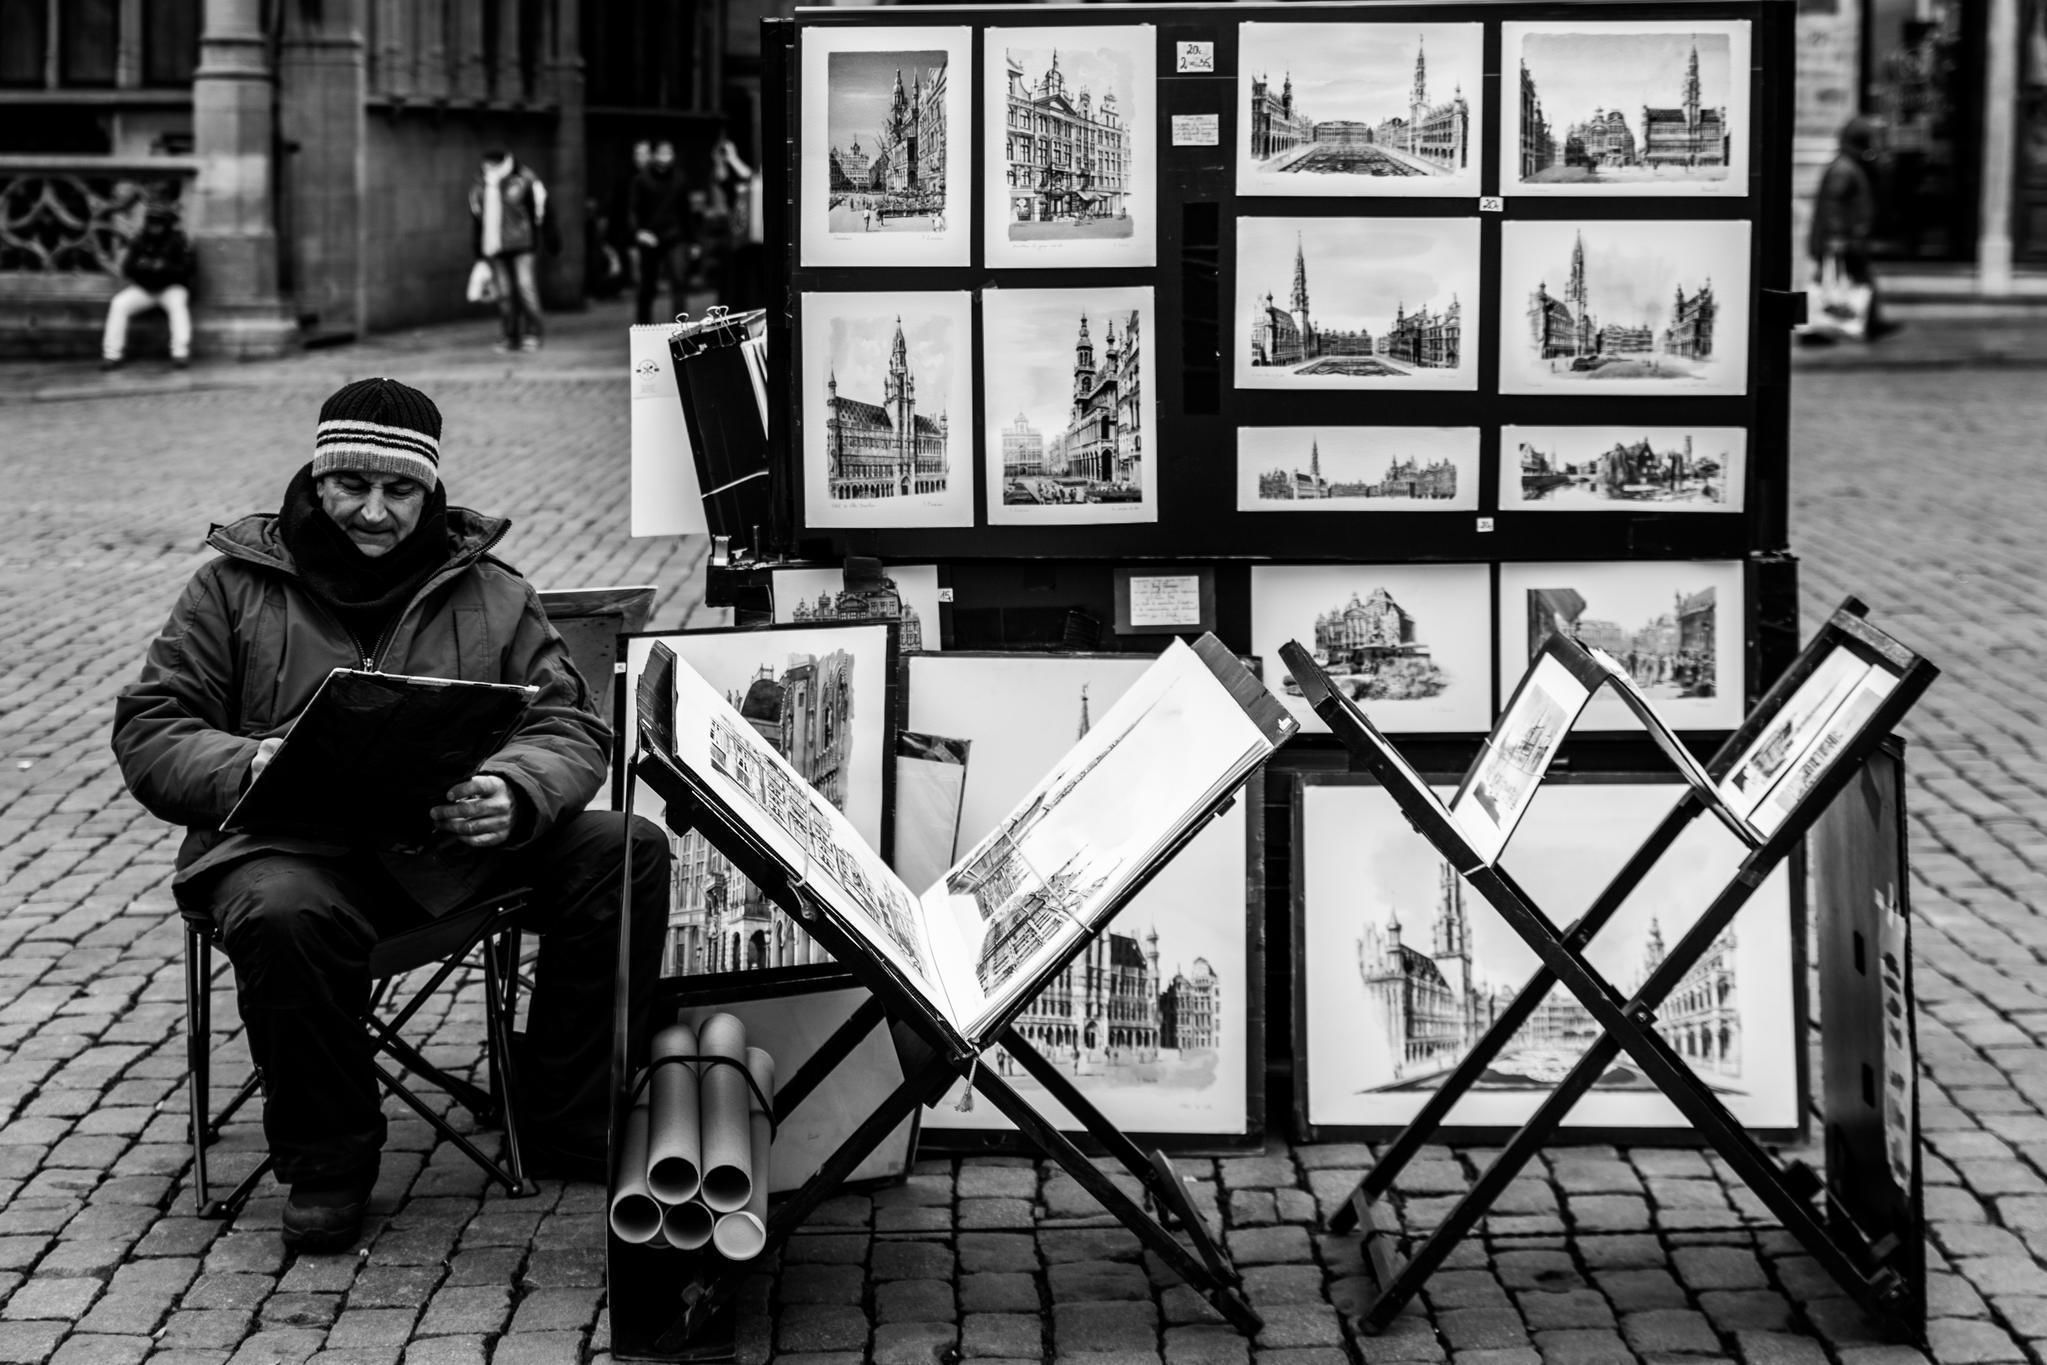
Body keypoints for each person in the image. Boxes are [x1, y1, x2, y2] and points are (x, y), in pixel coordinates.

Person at [111, 378, 670, 1253]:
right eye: (351, 486)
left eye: (399, 490)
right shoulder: (232, 588)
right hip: (289, 851)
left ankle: (568, 1112)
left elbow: (568, 722)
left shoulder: (491, 591)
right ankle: (329, 1159)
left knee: (623, 848)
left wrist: (515, 790)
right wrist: (246, 762)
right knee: (283, 908)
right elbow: (152, 727)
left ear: (430, 489)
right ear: (316, 477)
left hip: (446, 854)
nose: (374, 512)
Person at [1805, 117, 1895, 343]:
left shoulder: (1850, 165)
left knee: (1855, 280)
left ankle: (1863, 321)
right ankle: (1841, 323)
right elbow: (1833, 205)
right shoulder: (1845, 168)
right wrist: (1837, 237)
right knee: (1846, 280)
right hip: (1842, 240)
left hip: (1847, 239)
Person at [469, 150, 556, 352]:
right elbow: (477, 219)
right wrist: (479, 254)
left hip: (523, 245)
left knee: (526, 287)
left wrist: (548, 237)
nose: (487, 169)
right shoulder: (480, 185)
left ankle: (533, 332)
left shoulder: (524, 179)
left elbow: (541, 209)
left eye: (491, 165)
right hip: (496, 247)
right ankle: (509, 334)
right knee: (505, 294)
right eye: (485, 165)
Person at [102, 202, 195, 371]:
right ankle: (112, 354)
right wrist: (144, 267)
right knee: (119, 303)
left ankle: (180, 352)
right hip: (145, 288)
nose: (154, 227)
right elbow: (127, 268)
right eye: (152, 222)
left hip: (170, 287)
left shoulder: (177, 240)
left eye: (158, 223)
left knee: (178, 305)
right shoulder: (141, 240)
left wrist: (165, 267)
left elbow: (188, 269)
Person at [630, 139, 694, 325]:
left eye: (669, 153)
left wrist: (693, 241)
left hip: (675, 236)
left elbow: (686, 211)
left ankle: (681, 329)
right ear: (654, 155)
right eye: (662, 153)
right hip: (650, 236)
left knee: (679, 281)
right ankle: (643, 328)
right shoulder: (642, 179)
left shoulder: (680, 178)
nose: (665, 158)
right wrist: (639, 232)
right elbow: (633, 209)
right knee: (647, 286)